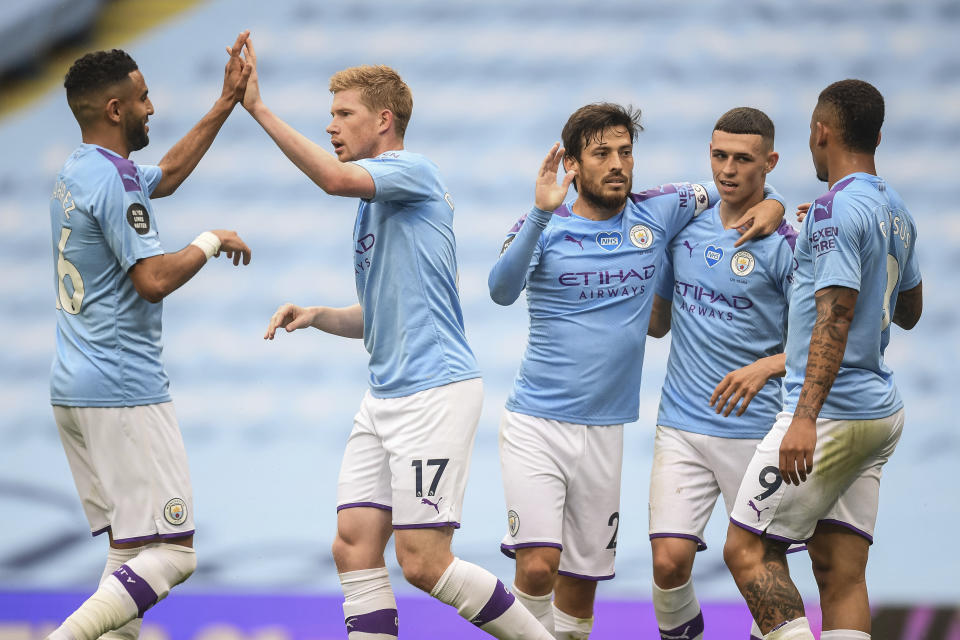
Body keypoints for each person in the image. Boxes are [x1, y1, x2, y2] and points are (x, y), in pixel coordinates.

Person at [239, 38, 553, 640]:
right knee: (353, 546)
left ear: (384, 120)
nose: (330, 125)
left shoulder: (412, 170)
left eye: (343, 114)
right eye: (330, 114)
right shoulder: (375, 201)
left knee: (422, 562)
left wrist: (258, 108)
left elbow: (332, 179)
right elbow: (379, 314)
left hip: (432, 393)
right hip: (382, 397)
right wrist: (317, 314)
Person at [487, 102, 786, 639]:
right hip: (537, 423)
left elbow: (736, 183)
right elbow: (501, 291)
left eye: (625, 151)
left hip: (606, 432)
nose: (618, 163)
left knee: (580, 586)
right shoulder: (547, 224)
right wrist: (538, 213)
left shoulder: (661, 209)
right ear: (573, 164)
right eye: (601, 153)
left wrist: (779, 206)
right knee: (536, 567)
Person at [46, 35, 253, 640]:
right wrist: (210, 240)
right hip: (123, 389)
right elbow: (153, 280)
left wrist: (225, 102)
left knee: (131, 553)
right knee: (176, 553)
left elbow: (166, 176)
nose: (152, 108)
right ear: (115, 109)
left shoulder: (80, 170)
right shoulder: (116, 182)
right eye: (143, 98)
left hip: (75, 386)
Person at [723, 79, 923, 640]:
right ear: (877, 136)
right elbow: (909, 309)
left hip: (830, 411)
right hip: (879, 412)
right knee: (841, 572)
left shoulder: (835, 210)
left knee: (747, 548)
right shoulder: (895, 210)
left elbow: (835, 318)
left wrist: (805, 417)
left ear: (821, 133)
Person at [645, 107, 796, 640]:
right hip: (681, 424)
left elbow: (826, 336)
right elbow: (658, 322)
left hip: (755, 430)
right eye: (719, 156)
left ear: (770, 161)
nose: (728, 170)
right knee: (667, 564)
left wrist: (767, 365)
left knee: (761, 571)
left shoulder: (786, 242)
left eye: (743, 159)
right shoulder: (683, 227)